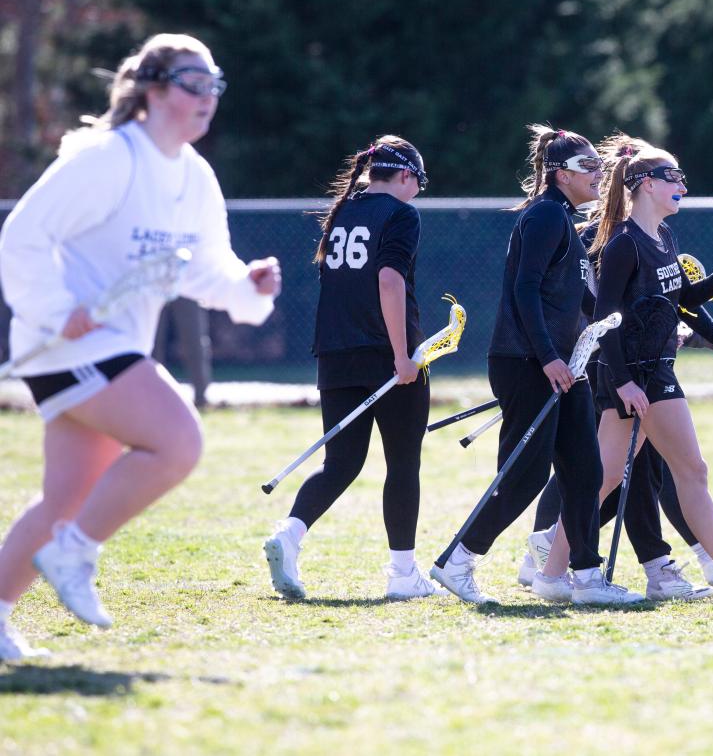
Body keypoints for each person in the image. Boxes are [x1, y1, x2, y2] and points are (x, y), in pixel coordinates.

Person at [0, 33, 280, 661]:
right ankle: (74, 552)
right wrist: (53, 310)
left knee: (65, 496)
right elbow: (21, 236)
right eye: (192, 83)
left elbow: (203, 270)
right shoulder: (107, 158)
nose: (207, 97)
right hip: (66, 345)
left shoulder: (196, 179)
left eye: (215, 84)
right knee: (179, 441)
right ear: (153, 90)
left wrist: (246, 285)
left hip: (107, 349)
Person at [536, 133, 713, 602]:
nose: (682, 185)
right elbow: (605, 318)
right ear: (645, 184)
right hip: (639, 375)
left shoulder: (663, 235)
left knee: (602, 479)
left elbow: (682, 299)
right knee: (692, 471)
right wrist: (623, 381)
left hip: (650, 371)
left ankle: (549, 574)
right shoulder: (623, 244)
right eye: (674, 177)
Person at [430, 125, 641, 606]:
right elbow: (524, 291)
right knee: (524, 475)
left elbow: (574, 301)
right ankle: (456, 561)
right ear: (560, 173)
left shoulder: (564, 219)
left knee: (585, 471)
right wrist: (547, 356)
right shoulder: (546, 216)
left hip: (565, 367)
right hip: (528, 362)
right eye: (589, 166)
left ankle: (587, 579)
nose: (599, 174)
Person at [263, 135, 438, 601]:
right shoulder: (402, 214)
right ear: (405, 176)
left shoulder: (344, 211)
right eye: (418, 182)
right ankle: (403, 574)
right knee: (403, 462)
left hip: (336, 352)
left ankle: (289, 534)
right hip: (384, 353)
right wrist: (402, 356)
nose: (417, 191)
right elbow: (388, 280)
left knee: (340, 462)